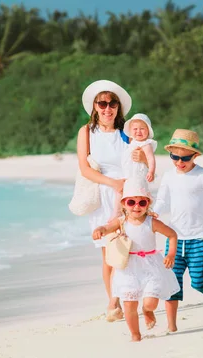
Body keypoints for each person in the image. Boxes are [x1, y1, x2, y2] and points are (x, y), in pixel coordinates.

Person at [76, 79, 147, 322]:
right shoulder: (86, 132)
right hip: (103, 193)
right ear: (95, 106)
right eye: (102, 103)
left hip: (128, 195)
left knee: (131, 248)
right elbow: (85, 169)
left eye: (112, 103)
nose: (108, 108)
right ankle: (113, 302)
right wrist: (112, 184)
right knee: (109, 252)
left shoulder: (127, 132)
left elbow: (142, 164)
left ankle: (131, 296)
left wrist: (142, 159)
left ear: (118, 107)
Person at [153, 129, 203, 333]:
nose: (179, 162)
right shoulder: (169, 176)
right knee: (172, 283)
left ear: (195, 156)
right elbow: (162, 200)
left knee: (199, 283)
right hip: (174, 239)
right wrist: (154, 213)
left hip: (198, 238)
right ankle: (172, 326)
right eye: (175, 157)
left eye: (185, 158)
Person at [92, 179, 180, 341]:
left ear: (148, 204)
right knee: (129, 304)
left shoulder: (152, 222)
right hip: (128, 267)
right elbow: (107, 228)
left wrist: (171, 254)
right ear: (124, 204)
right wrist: (100, 229)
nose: (136, 206)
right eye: (131, 202)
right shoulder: (121, 222)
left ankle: (147, 311)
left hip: (151, 265)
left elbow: (172, 235)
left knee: (150, 302)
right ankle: (135, 334)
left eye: (142, 203)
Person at [109, 113, 157, 221]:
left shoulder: (146, 144)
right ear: (130, 132)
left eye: (142, 129)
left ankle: (143, 214)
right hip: (129, 175)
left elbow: (150, 159)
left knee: (138, 196)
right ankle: (118, 213)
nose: (138, 131)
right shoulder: (132, 143)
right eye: (135, 129)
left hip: (137, 175)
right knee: (121, 192)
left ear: (148, 131)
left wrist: (151, 172)